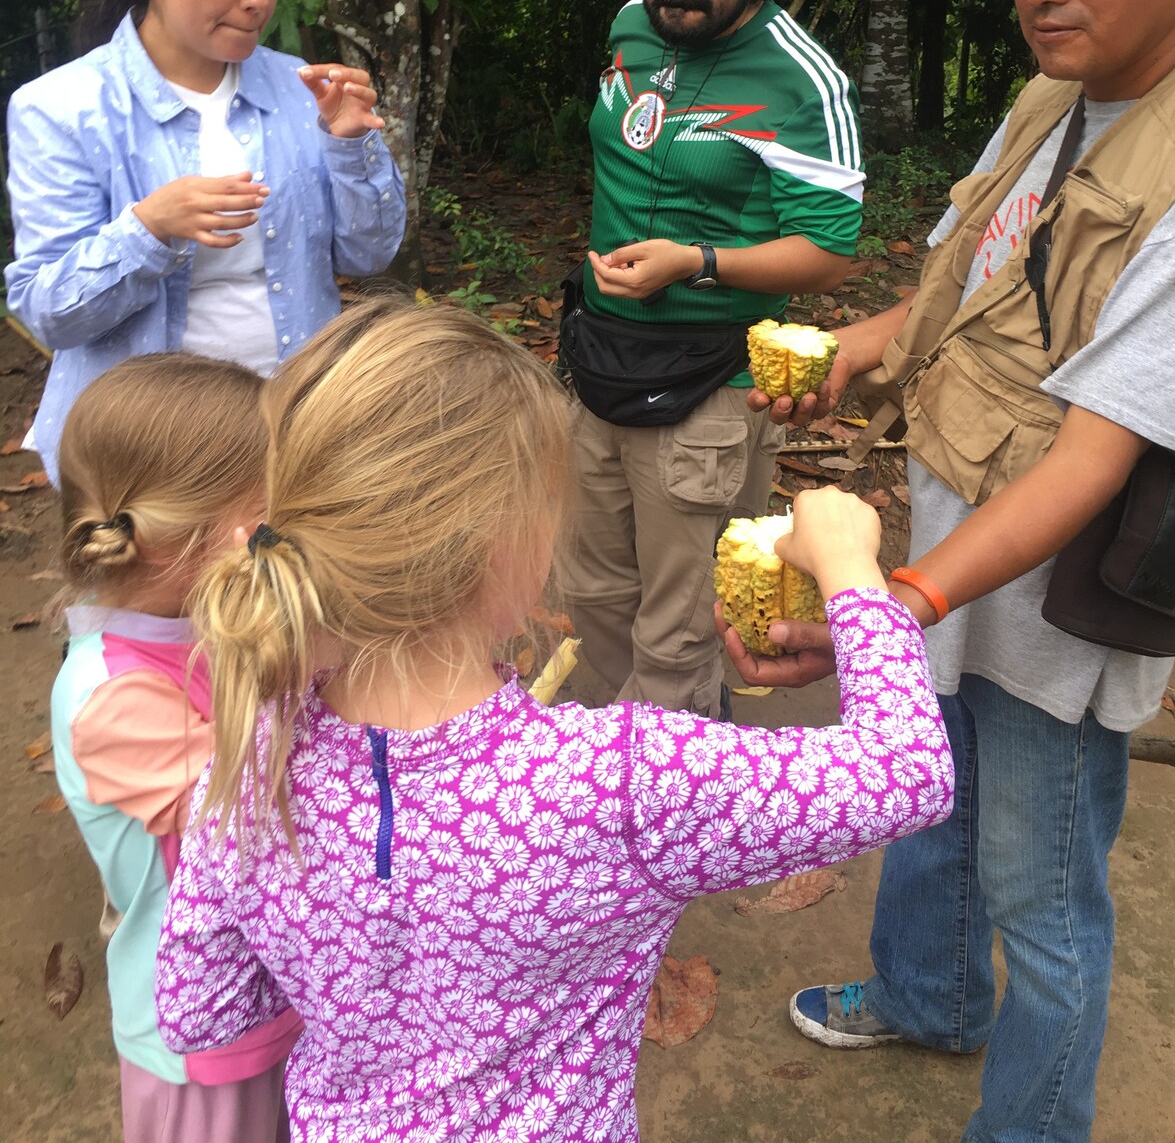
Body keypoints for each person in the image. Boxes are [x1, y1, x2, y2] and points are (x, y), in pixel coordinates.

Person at [154, 297, 952, 1142]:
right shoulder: (619, 779)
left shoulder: (247, 758)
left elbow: (199, 1010)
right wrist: (853, 574)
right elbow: (907, 774)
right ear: (510, 545)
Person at [733, 0, 1175, 1143]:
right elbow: (956, 293)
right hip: (953, 523)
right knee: (923, 793)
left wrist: (889, 606)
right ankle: (930, 993)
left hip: (1055, 590)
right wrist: (846, 354)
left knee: (1043, 894)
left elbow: (1100, 452)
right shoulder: (1057, 95)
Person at [556, 0, 864, 717]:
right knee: (597, 597)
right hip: (598, 366)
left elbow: (831, 252)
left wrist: (696, 262)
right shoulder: (628, 30)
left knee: (681, 626)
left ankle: (669, 823)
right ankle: (604, 786)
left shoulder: (800, 79)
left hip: (709, 390)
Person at [5, 0, 406, 487]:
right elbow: (49, 312)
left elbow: (369, 255)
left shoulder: (301, 90)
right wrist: (148, 229)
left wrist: (350, 144)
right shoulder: (62, 109)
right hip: (144, 457)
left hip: (294, 430)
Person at [51, 352, 300, 1143]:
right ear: (185, 545)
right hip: (202, 1038)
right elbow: (264, 821)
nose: (294, 526)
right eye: (274, 512)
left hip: (285, 990)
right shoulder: (112, 699)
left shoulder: (201, 628)